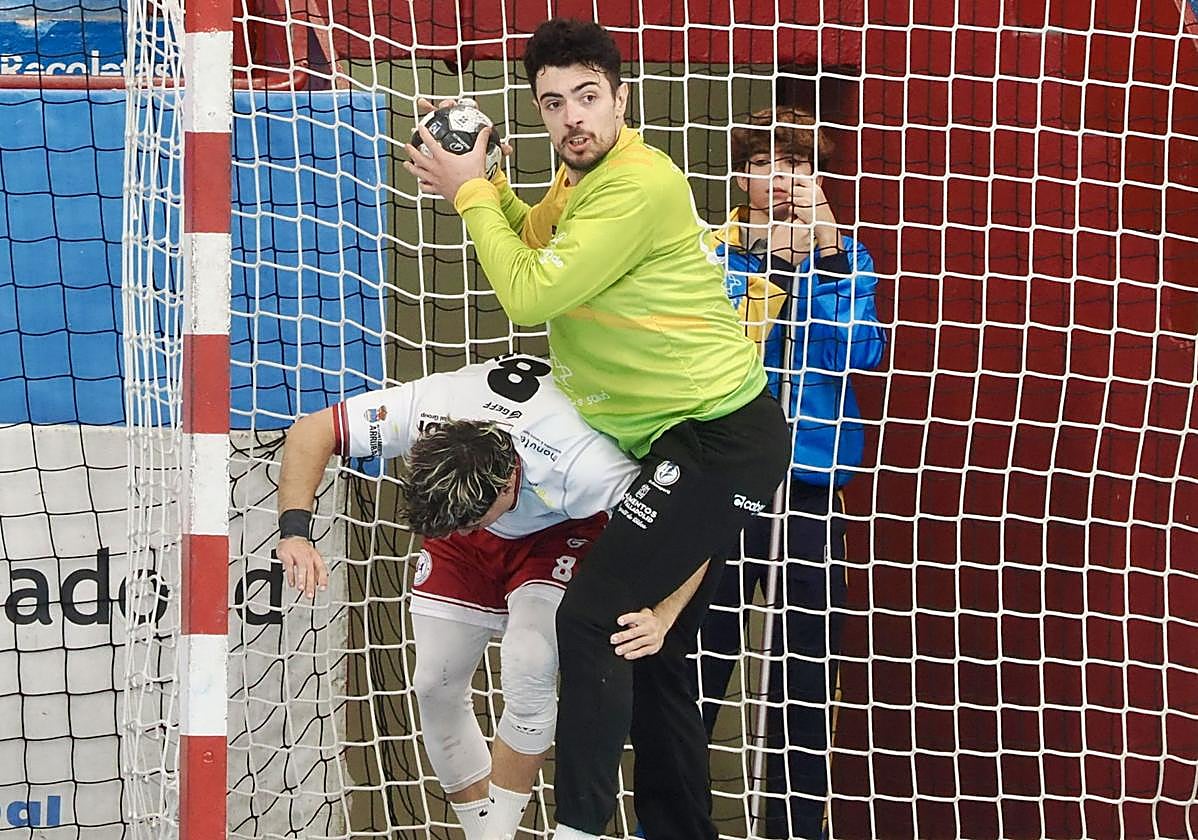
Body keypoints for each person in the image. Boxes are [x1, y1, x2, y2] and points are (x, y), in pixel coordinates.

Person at [403, 17, 792, 840]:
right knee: (656, 666)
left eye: (587, 97)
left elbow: (530, 296)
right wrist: (493, 187)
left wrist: (471, 192)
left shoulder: (636, 184)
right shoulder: (584, 181)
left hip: (718, 435)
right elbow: (537, 240)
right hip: (677, 444)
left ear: (622, 98)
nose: (572, 117)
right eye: (552, 103)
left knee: (589, 619)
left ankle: (577, 829)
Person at [274, 355, 706, 840]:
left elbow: (692, 523)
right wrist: (294, 530)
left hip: (560, 529)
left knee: (529, 658)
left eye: (467, 519)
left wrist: (665, 613)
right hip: (467, 545)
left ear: (506, 485)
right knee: (433, 685)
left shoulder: (587, 464)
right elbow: (312, 430)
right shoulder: (428, 407)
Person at [700, 105, 888, 839]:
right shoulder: (712, 252)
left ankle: (795, 829)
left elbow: (861, 354)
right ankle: (673, 818)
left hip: (812, 491)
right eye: (765, 164)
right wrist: (774, 265)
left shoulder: (849, 257)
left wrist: (831, 259)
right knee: (698, 665)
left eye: (799, 164)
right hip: (723, 489)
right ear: (742, 175)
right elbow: (726, 349)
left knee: (805, 679)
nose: (782, 179)